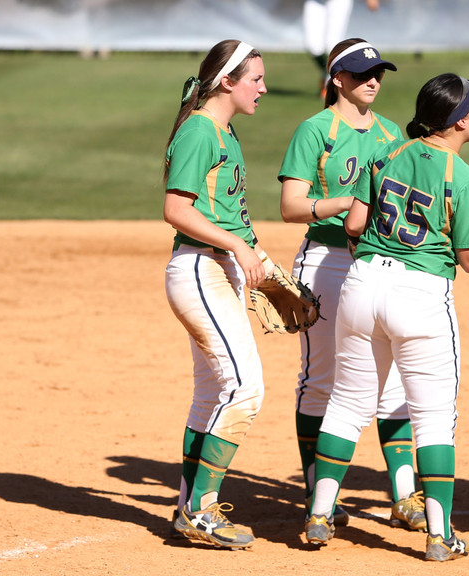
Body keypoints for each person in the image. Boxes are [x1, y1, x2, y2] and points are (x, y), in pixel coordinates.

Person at [302, 72, 469, 561]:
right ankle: (439, 536)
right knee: (434, 419)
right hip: (419, 296)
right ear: (459, 121)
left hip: (360, 286)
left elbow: (355, 224)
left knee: (346, 404)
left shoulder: (385, 153)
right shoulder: (461, 178)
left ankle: (319, 514)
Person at [278, 38, 425, 532]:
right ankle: (320, 491)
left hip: (380, 265)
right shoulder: (316, 130)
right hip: (326, 261)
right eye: (363, 73)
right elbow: (291, 205)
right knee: (322, 379)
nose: (374, 80)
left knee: (395, 382)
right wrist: (346, 203)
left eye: (378, 72)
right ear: (336, 79)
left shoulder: (390, 133)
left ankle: (404, 496)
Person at [162, 39, 269, 549]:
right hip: (200, 269)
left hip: (217, 267)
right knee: (245, 389)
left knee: (212, 393)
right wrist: (234, 248)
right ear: (227, 80)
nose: (264, 88)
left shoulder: (224, 130)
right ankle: (201, 511)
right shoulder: (201, 131)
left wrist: (262, 263)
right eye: (256, 79)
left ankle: (188, 503)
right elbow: (177, 210)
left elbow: (229, 216)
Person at [302, 0, 380, 96]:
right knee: (313, 46)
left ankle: (330, 83)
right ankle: (327, 72)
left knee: (332, 45)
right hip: (316, 2)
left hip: (338, 2)